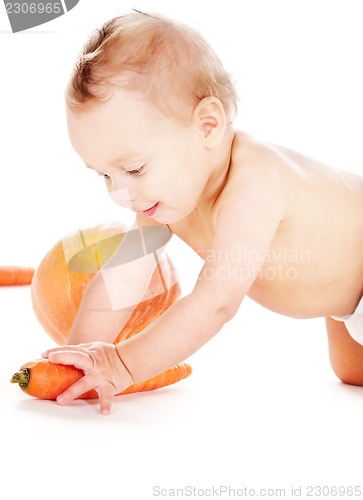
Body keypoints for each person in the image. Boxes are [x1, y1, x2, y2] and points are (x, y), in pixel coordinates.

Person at [42, 10, 363, 415]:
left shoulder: (255, 184)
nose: (120, 192)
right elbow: (122, 278)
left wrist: (122, 364)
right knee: (352, 374)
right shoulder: (165, 197)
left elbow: (216, 302)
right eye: (104, 175)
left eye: (134, 169)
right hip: (345, 300)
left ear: (207, 126)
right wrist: (79, 358)